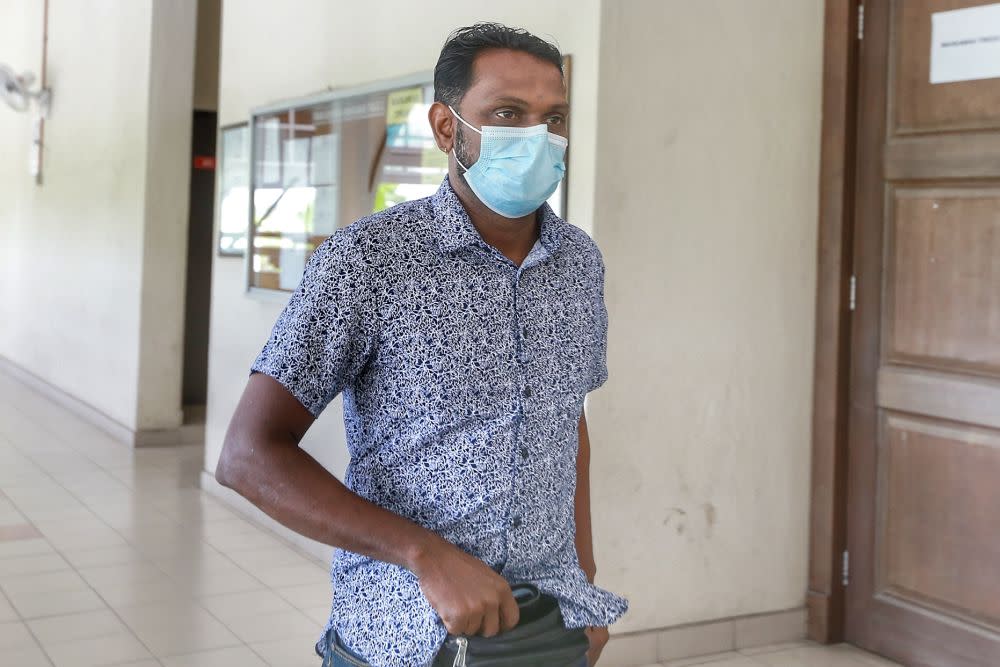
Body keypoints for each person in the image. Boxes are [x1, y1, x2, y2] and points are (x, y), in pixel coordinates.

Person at [216, 22, 628, 667]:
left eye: (554, 118)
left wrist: (585, 587)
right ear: (445, 128)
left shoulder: (577, 261)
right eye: (507, 113)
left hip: (549, 621)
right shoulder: (370, 260)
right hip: (405, 626)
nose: (537, 137)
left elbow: (565, 420)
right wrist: (424, 554)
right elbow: (248, 456)